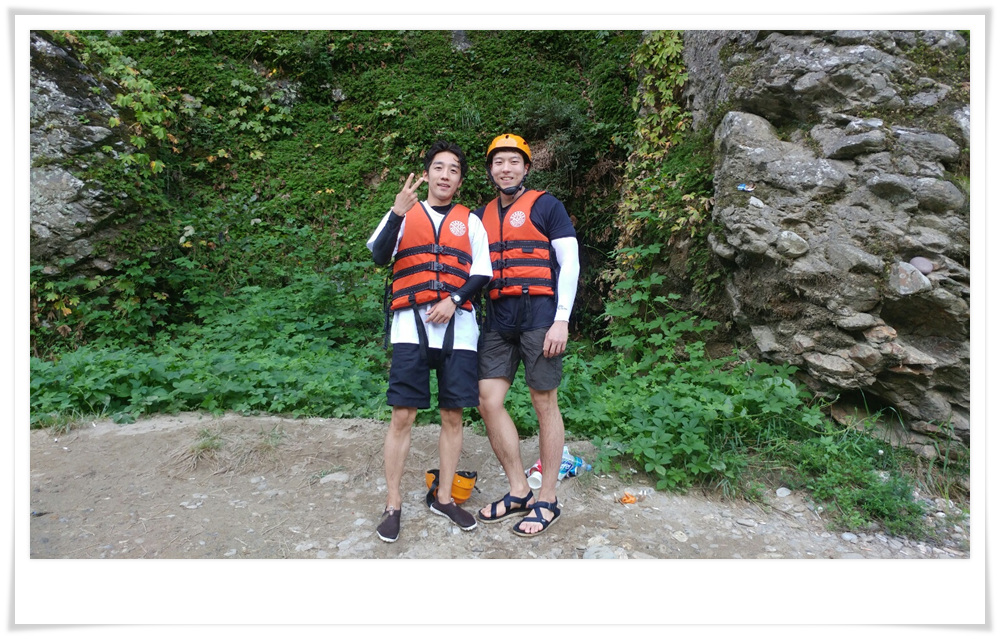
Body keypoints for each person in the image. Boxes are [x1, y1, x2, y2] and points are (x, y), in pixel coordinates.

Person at [366, 140, 491, 543]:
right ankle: (393, 503)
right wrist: (396, 212)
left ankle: (444, 497)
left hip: (459, 330)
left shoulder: (470, 221)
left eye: (453, 169)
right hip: (410, 328)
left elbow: (482, 272)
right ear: (427, 173)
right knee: (403, 416)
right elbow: (379, 256)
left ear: (460, 180)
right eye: (439, 167)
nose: (445, 175)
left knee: (453, 416)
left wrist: (453, 300)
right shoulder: (403, 212)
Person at [473, 133, 580, 537]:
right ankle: (519, 490)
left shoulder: (547, 206)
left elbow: (569, 263)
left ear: (526, 167)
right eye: (498, 162)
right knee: (488, 400)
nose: (506, 168)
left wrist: (562, 319)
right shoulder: (480, 216)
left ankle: (547, 499)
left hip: (540, 316)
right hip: (499, 317)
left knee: (543, 402)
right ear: (490, 170)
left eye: (513, 161)